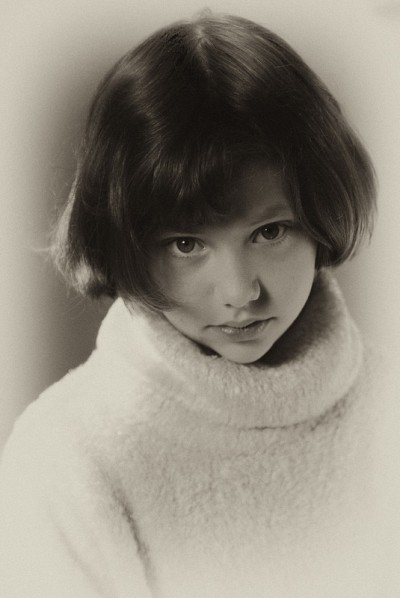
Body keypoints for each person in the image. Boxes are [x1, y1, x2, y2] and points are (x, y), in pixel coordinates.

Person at [0, 12, 399, 598]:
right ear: (126, 245)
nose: (240, 293)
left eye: (269, 232)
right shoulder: (66, 456)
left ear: (322, 214)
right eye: (187, 245)